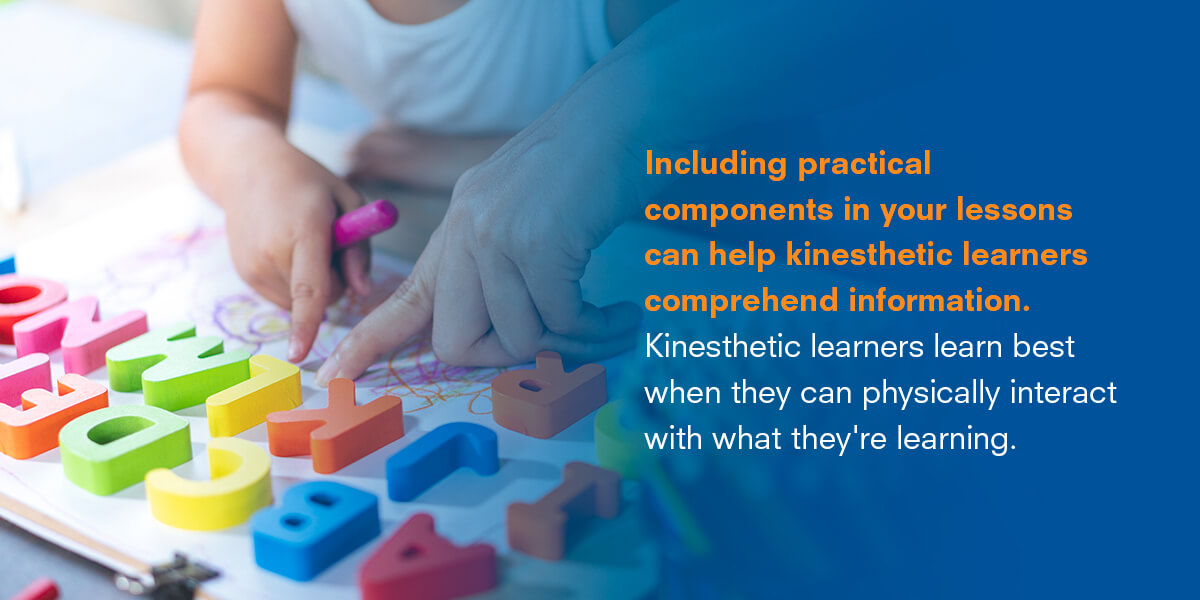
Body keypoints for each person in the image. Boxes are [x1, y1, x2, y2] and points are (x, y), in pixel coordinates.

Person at [179, 0, 669, 367]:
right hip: (414, 207)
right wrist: (252, 164)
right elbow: (223, 94)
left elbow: (724, 142)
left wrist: (487, 155)